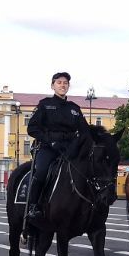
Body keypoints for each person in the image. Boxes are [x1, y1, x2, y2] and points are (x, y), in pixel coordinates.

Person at [24, 72, 90, 219]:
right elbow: (32, 128)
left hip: (70, 149)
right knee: (41, 172)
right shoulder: (45, 105)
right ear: (52, 86)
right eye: (59, 82)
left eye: (65, 83)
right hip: (49, 147)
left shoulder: (74, 108)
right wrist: (49, 140)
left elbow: (85, 131)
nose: (62, 85)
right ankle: (33, 206)